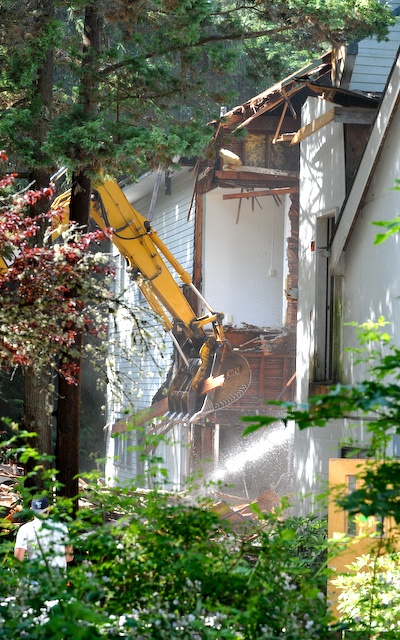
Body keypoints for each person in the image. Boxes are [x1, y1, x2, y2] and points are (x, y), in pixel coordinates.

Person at [14, 496, 73, 570]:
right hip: (58, 578)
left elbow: (18, 559)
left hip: (36, 578)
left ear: (31, 510)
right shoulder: (61, 527)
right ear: (48, 509)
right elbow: (69, 557)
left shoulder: (25, 529)